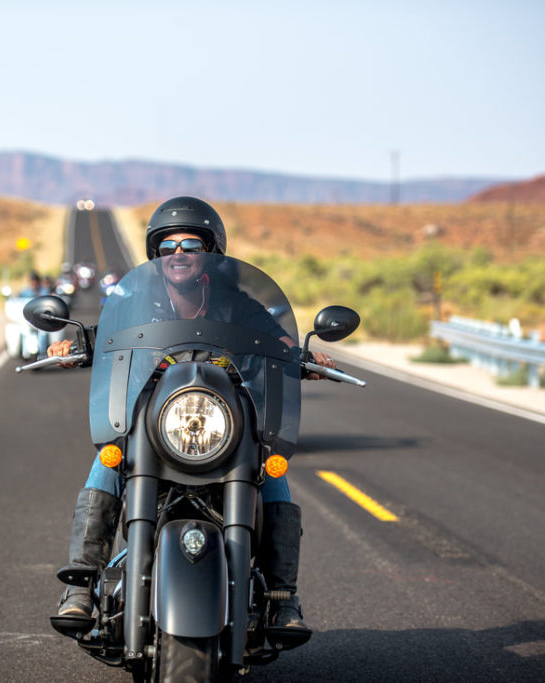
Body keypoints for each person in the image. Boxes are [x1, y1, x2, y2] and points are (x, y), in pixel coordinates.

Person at [49, 196, 334, 638]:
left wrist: (303, 356)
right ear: (157, 257)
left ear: (211, 254)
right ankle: (82, 587)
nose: (178, 253)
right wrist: (72, 347)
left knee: (271, 468)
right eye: (166, 247)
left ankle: (282, 598)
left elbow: (278, 341)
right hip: (153, 419)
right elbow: (101, 337)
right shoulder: (131, 304)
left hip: (223, 422)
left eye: (190, 244)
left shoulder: (240, 307)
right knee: (108, 459)